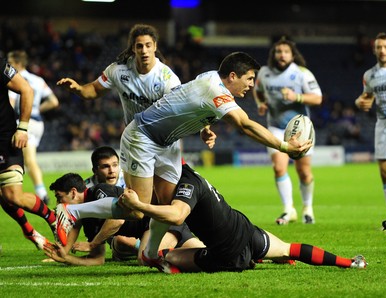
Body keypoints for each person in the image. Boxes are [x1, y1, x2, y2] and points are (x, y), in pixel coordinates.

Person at [55, 51, 312, 270]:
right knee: (136, 207)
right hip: (142, 136)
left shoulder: (208, 77)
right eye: (249, 79)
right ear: (232, 76)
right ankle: (73, 211)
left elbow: (188, 102)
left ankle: (149, 253)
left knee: (166, 203)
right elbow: (244, 125)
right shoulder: (215, 90)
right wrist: (285, 146)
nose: (251, 85)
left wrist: (203, 126)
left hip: (166, 143)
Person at [54, 162, 367, 273]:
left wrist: (141, 204)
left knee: (162, 258)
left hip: (224, 255)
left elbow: (176, 213)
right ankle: (349, 262)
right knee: (289, 248)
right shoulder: (189, 175)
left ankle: (174, 263)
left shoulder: (186, 187)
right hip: (244, 229)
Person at [45, 172, 204, 266]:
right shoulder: (87, 219)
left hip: (160, 223)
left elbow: (117, 220)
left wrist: (93, 243)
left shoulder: (99, 191)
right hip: (152, 231)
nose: (59, 204)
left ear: (73, 192)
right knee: (209, 254)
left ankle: (168, 251)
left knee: (144, 258)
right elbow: (98, 259)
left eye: (60, 198)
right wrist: (66, 257)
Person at [253, 37, 322, 225]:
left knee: (304, 172)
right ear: (273, 54)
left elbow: (317, 98)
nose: (281, 55)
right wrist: (261, 103)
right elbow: (257, 90)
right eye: (278, 51)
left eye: (285, 51)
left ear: (292, 55)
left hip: (301, 130)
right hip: (275, 126)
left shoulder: (301, 73)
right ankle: (288, 209)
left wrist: (296, 96)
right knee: (279, 167)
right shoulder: (265, 73)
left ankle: (307, 208)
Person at [0, 57, 56, 250]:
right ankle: (30, 231)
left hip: (5, 136)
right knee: (5, 194)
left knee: (13, 195)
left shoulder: (2, 66)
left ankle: (53, 217)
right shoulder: (39, 80)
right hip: (34, 121)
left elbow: (26, 90)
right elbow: (53, 100)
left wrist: (22, 127)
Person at [354, 33, 386, 234]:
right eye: (378, 47)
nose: (382, 50)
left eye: (385, 47)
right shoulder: (369, 75)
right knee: (385, 172)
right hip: (383, 126)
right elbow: (365, 97)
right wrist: (360, 102)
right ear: (374, 50)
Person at [8, 50, 60, 205]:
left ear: (17, 63)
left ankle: (42, 193)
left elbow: (11, 103)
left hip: (24, 122)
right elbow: (54, 101)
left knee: (29, 159)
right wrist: (36, 109)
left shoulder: (14, 78)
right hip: (38, 122)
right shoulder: (38, 79)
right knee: (27, 158)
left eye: (10, 62)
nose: (7, 65)